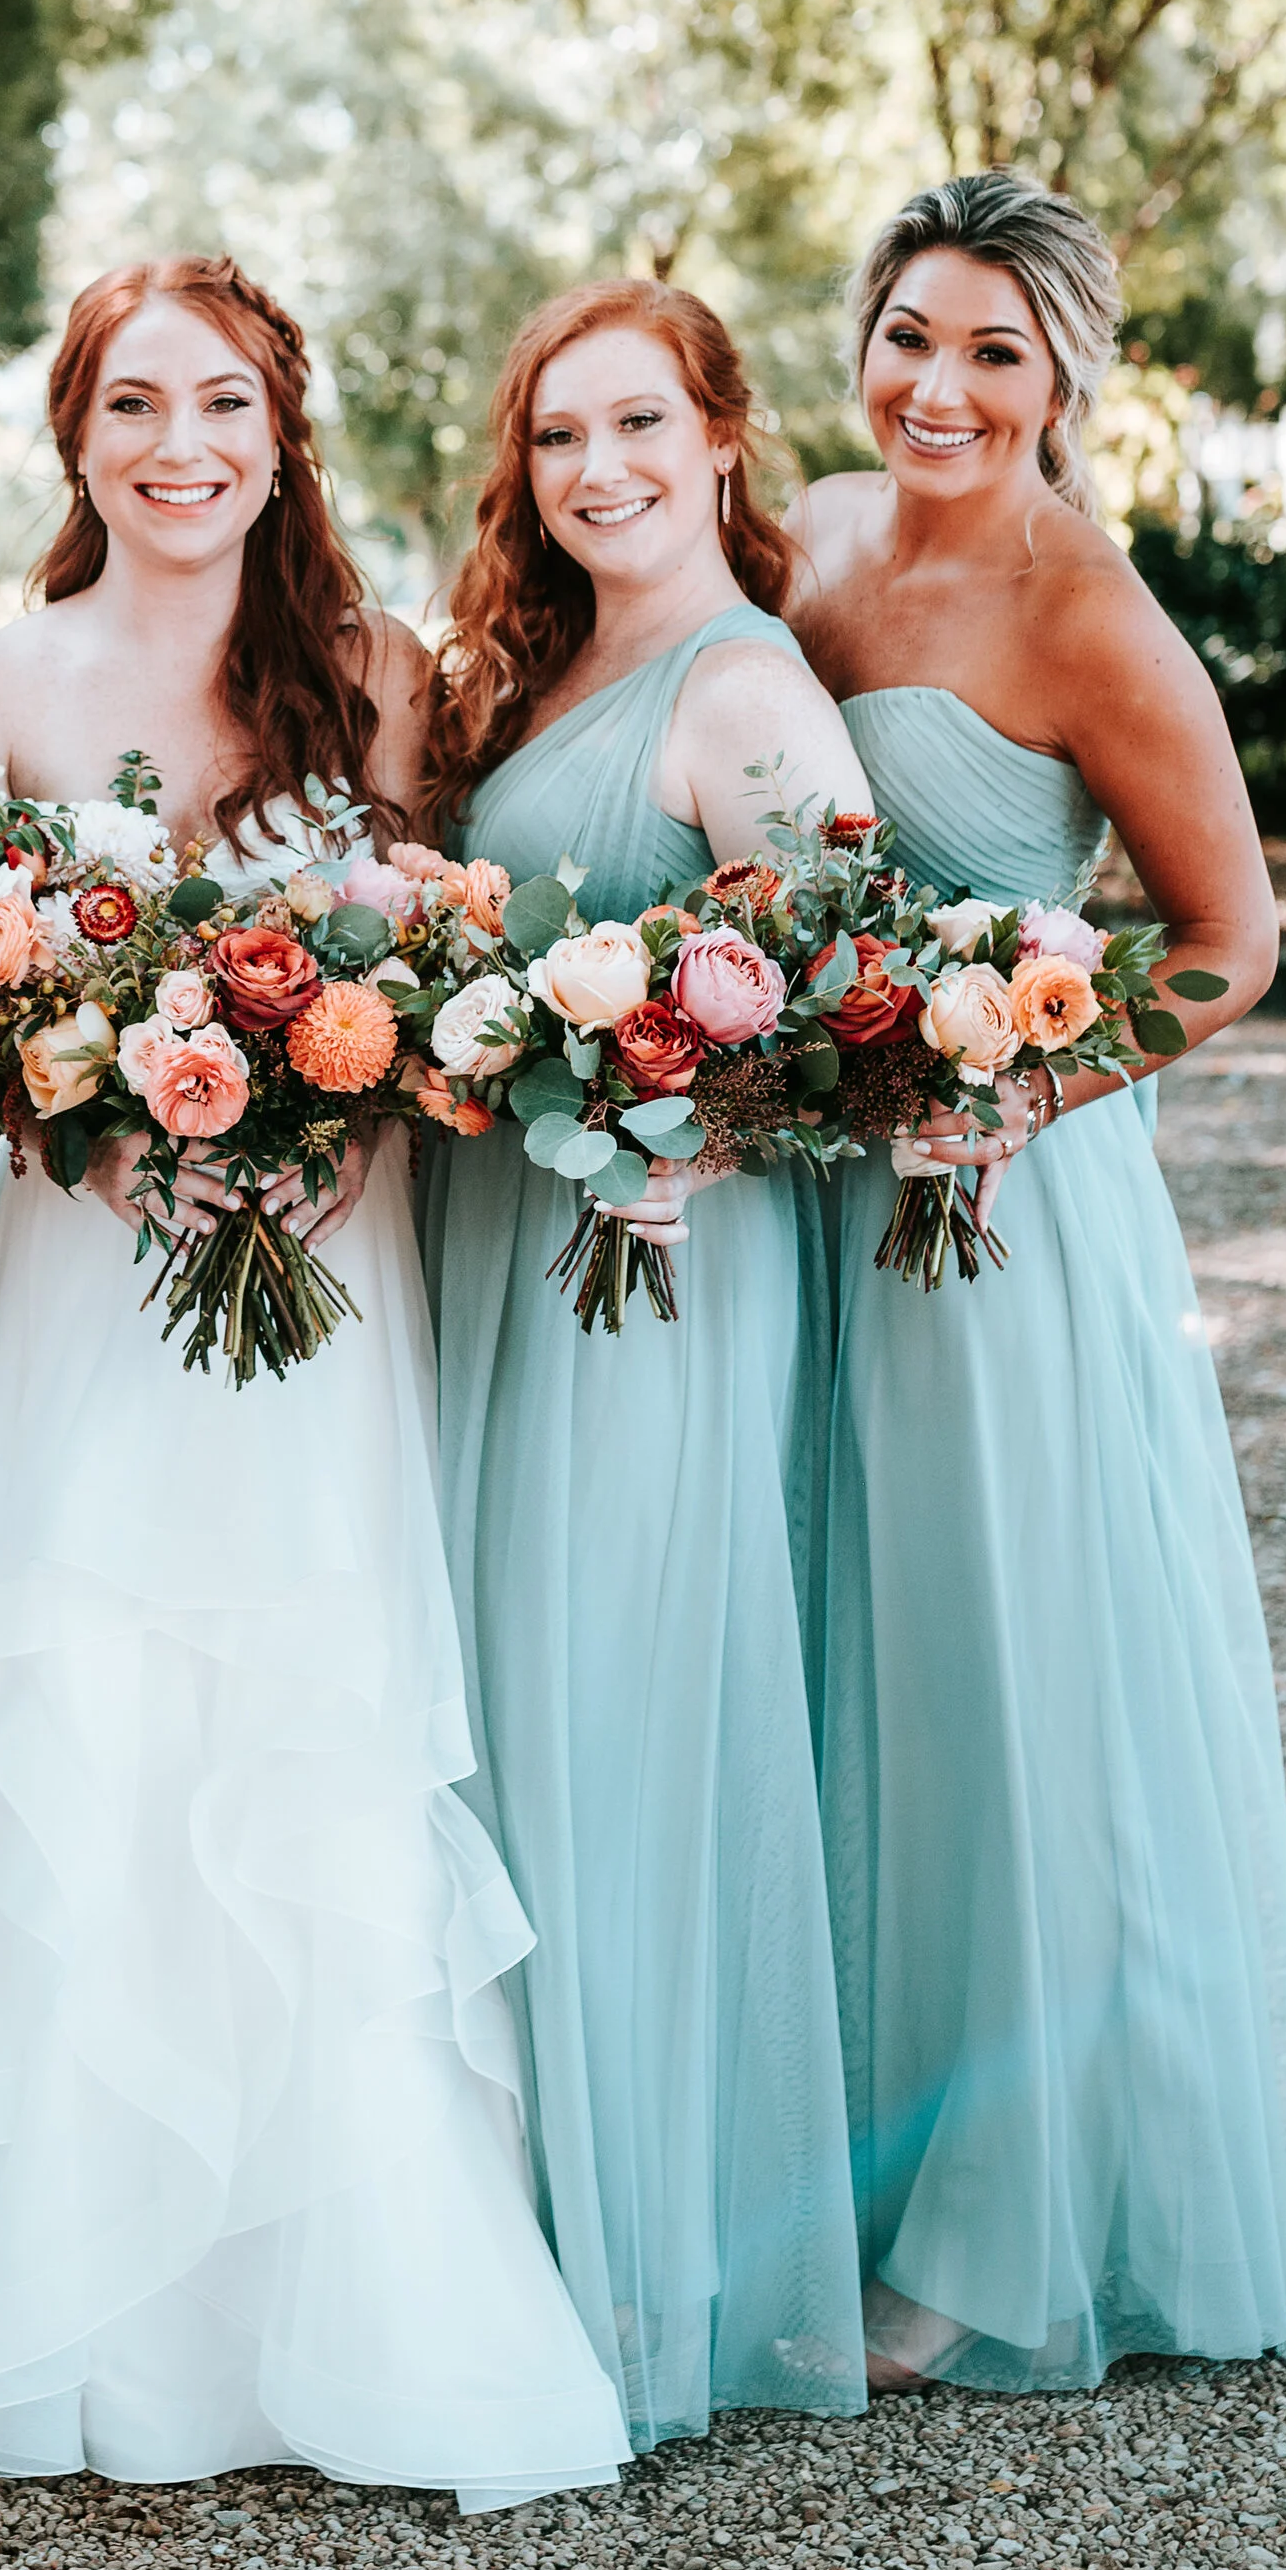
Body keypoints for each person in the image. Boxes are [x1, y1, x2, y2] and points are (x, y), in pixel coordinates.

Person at [0, 255, 630, 2507]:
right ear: (71, 438)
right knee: (68, 1713)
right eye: (130, 405)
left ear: (281, 428)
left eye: (219, 404)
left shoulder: (382, 679)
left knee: (306, 1740)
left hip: (334, 1307)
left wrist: (341, 1113)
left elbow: (453, 977)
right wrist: (105, 1115)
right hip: (85, 1289)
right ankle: (26, 2312)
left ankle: (335, 2309)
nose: (177, 446)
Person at [787, 171, 1286, 2393]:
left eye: (995, 351)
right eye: (913, 333)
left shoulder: (1082, 603)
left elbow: (1228, 941)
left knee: (990, 1663)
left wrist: (1021, 1086)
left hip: (999, 1190)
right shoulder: (804, 538)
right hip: (800, 1173)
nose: (941, 384)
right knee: (836, 1646)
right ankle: (829, 2154)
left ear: (1062, 380)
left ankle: (991, 2231)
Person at [420, 278, 874, 2452]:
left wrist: (687, 1129)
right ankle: (502, 2222)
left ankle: (633, 2267)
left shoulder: (747, 684)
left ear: (716, 435)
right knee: (516, 1708)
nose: (590, 471)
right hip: (515, 1242)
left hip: (647, 1273)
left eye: (631, 427)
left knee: (615, 1717)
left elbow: (844, 1004)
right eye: (552, 438)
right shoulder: (555, 664)